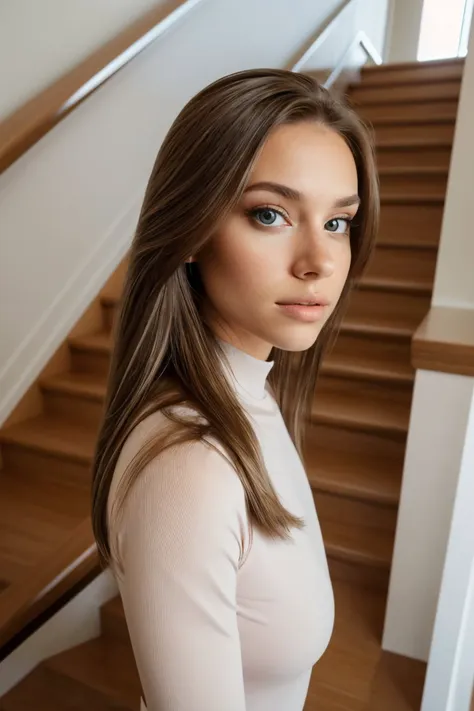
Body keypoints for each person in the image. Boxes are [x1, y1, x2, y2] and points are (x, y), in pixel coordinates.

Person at [91, 68, 379, 711]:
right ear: (192, 227)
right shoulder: (190, 467)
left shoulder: (248, 391)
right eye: (271, 214)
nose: (320, 261)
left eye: (338, 222)